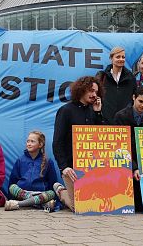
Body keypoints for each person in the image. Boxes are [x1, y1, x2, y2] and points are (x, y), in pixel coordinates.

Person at [52, 76, 105, 211]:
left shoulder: (94, 110)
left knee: (96, 204)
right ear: (81, 90)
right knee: (79, 207)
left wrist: (98, 113)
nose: (94, 95)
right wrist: (64, 167)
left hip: (91, 167)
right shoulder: (66, 110)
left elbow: (101, 137)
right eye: (91, 91)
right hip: (71, 168)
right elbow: (57, 142)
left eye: (96, 92)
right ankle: (60, 191)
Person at [113, 87, 143, 212]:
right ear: (133, 98)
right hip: (125, 162)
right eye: (140, 101)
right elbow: (120, 146)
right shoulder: (120, 116)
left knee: (142, 206)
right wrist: (134, 167)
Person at [5, 131, 60, 211]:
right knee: (12, 187)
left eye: (32, 141)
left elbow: (53, 182)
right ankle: (38, 202)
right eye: (28, 141)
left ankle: (19, 204)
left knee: (51, 193)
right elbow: (13, 180)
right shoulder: (20, 160)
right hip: (23, 193)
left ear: (40, 145)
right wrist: (12, 196)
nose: (29, 144)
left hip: (40, 193)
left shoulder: (48, 161)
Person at [96, 46, 136, 123]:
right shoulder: (102, 77)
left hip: (125, 121)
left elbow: (134, 99)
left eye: (123, 57)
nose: (121, 59)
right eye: (118, 57)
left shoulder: (131, 78)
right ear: (111, 58)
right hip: (106, 121)